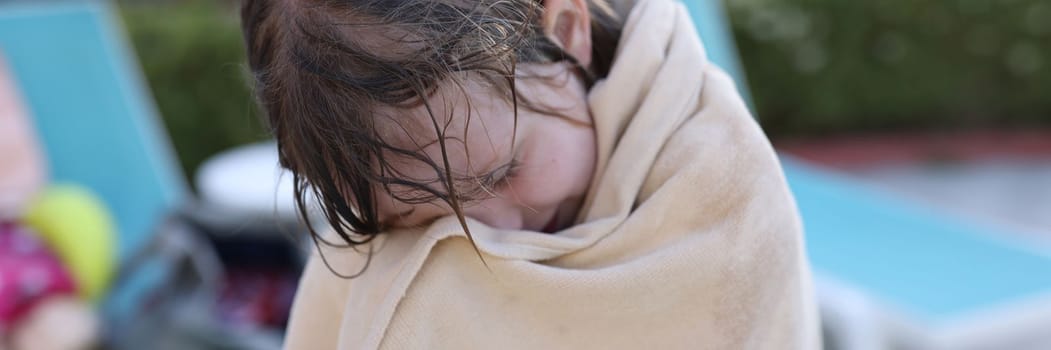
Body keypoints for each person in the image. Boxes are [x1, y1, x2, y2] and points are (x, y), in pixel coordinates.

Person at [241, 0, 820, 348]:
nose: (496, 233)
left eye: (500, 173)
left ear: (567, 29)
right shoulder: (360, 264)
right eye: (424, 221)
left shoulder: (718, 177)